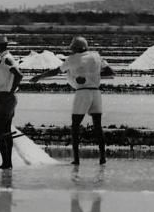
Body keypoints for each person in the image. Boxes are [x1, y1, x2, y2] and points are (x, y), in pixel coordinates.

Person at [30, 36, 113, 165]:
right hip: (96, 93)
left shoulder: (71, 60)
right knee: (98, 127)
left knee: (75, 126)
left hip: (82, 93)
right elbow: (110, 72)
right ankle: (102, 158)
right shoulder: (97, 56)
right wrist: (92, 75)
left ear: (75, 48)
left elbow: (57, 71)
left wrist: (40, 76)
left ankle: (76, 159)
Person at [0, 36, 23, 169]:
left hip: (5, 97)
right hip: (3, 96)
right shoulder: (3, 59)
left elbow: (18, 75)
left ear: (0, 46)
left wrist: (11, 91)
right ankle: (7, 162)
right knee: (5, 130)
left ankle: (6, 162)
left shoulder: (7, 59)